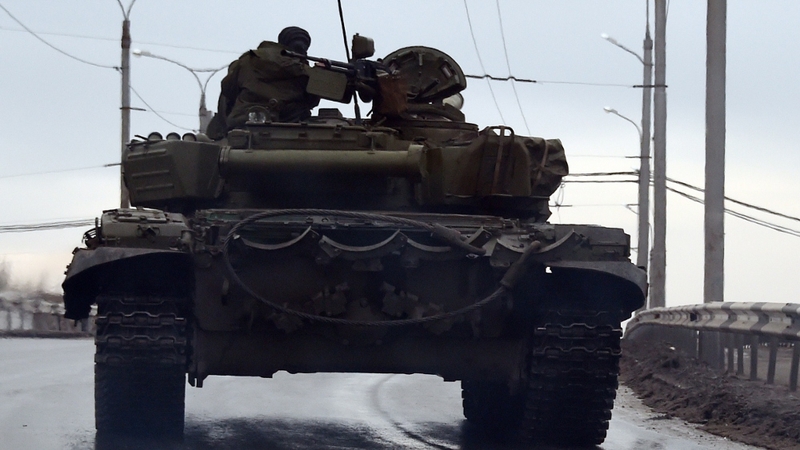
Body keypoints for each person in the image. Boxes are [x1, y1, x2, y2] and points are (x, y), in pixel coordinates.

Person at [206, 26, 320, 139]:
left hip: (243, 125)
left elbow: (228, 89)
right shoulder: (305, 71)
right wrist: (319, 73)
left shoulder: (248, 60)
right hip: (290, 130)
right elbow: (312, 101)